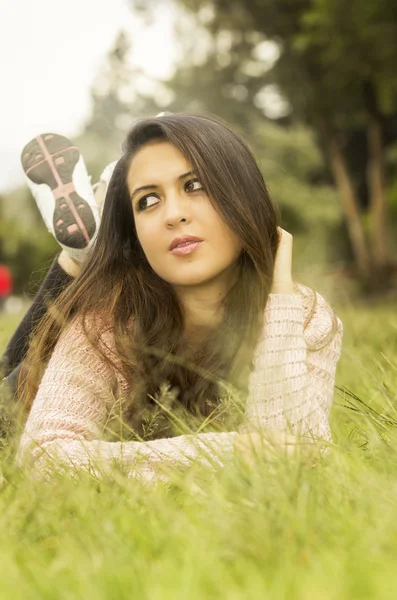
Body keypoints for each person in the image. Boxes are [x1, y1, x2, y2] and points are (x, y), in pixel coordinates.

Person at [7, 113, 342, 482]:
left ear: (244, 197)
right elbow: (43, 459)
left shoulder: (306, 316)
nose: (174, 215)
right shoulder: (106, 326)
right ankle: (79, 257)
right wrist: (234, 453)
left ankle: (81, 256)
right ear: (134, 234)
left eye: (195, 185)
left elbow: (295, 463)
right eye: (148, 201)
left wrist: (280, 301)